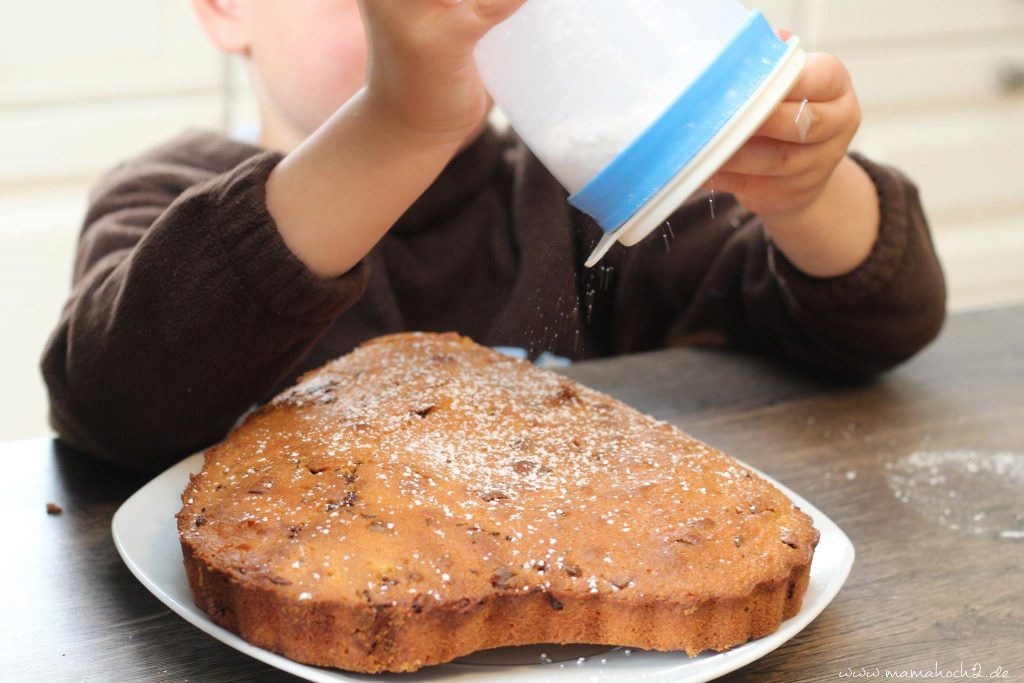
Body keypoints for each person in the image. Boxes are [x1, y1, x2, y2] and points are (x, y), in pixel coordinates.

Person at [40, 0, 946, 470]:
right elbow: (113, 409)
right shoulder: (168, 196)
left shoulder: (574, 201)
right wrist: (397, 127)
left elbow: (880, 324)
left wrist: (803, 192)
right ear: (226, 10)